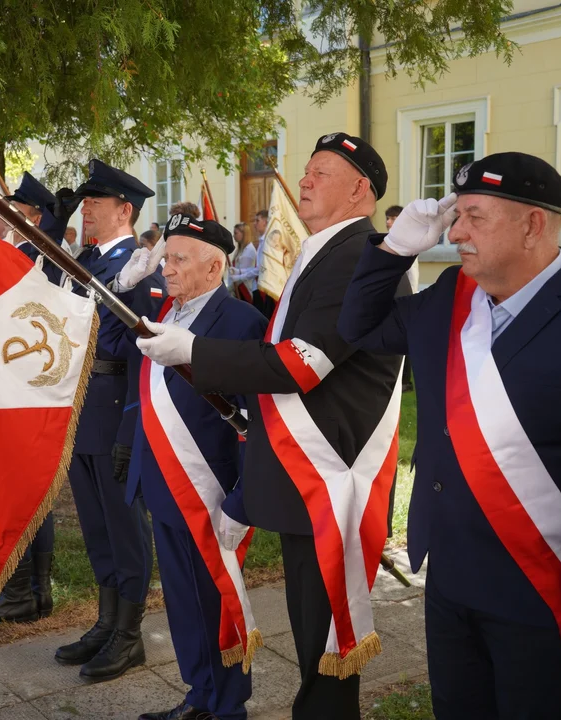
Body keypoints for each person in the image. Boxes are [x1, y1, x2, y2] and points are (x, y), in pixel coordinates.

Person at [338, 152, 561, 720]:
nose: (455, 232)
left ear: (533, 225)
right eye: (457, 216)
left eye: (474, 217)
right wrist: (392, 250)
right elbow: (357, 327)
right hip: (451, 573)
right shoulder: (450, 298)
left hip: (542, 583)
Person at [135, 132, 405, 720]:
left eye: (321, 173)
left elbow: (303, 364)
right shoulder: (325, 252)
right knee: (314, 643)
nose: (303, 181)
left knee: (326, 648)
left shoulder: (358, 256)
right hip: (300, 476)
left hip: (329, 475)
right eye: (305, 171)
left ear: (361, 189)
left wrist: (194, 352)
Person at [100, 215, 266, 720]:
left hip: (210, 491)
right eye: (165, 258)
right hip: (162, 482)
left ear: (215, 266)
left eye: (178, 259)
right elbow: (110, 345)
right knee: (184, 603)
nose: (166, 269)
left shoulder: (242, 324)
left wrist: (241, 502)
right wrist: (122, 285)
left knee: (215, 601)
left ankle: (227, 706)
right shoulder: (166, 311)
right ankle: (199, 695)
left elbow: (255, 423)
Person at [55, 159, 163, 682]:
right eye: (85, 201)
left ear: (126, 210)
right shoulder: (85, 261)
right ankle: (105, 621)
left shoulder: (141, 268)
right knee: (98, 526)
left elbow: (143, 357)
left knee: (125, 530)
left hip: (114, 410)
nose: (86, 208)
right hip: (81, 409)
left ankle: (129, 634)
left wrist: (129, 430)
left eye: (96, 201)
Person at [0, 171, 63, 623]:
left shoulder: (38, 258)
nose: (2, 217)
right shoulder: (19, 253)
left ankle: (28, 591)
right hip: (11, 382)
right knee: (24, 491)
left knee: (25, 491)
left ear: (34, 216)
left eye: (13, 211)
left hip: (24, 388)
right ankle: (30, 591)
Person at [384, 205, 416, 390]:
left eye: (393, 218)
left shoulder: (409, 241)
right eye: (387, 218)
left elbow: (411, 273)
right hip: (392, 295)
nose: (388, 222)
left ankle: (405, 381)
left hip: (404, 296)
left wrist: (409, 297)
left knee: (405, 342)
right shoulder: (389, 240)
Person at [249, 210, 276, 318]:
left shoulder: (268, 241)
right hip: (258, 287)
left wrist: (240, 276)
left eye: (257, 220)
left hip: (265, 288)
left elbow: (262, 267)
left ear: (265, 222)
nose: (255, 224)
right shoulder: (262, 241)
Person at [228, 223, 257, 303]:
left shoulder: (249, 250)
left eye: (236, 233)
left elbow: (243, 272)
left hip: (243, 289)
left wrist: (228, 289)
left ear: (243, 234)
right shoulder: (239, 249)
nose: (234, 236)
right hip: (236, 288)